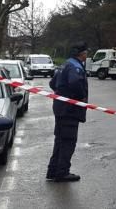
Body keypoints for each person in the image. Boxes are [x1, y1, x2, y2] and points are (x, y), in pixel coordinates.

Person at [47, 45, 89, 182]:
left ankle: (53, 170)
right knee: (68, 141)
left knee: (59, 140)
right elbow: (75, 82)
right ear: (81, 54)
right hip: (70, 110)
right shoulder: (75, 67)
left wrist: (62, 93)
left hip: (60, 107)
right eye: (85, 53)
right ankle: (62, 172)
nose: (86, 55)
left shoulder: (65, 64)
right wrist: (80, 97)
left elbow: (52, 83)